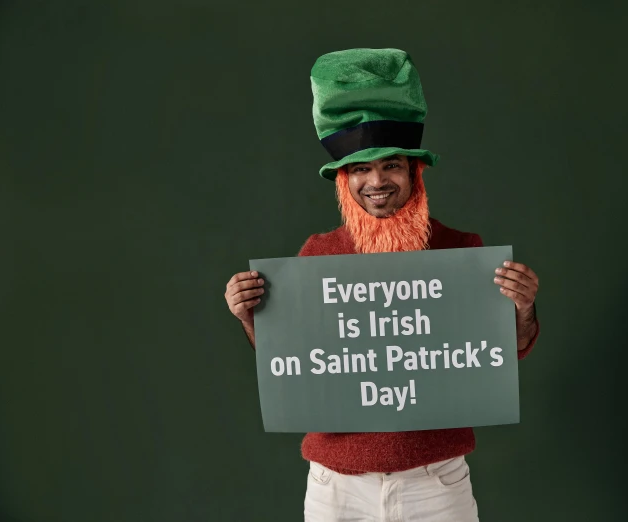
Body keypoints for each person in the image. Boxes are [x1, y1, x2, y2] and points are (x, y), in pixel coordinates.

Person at [224, 48, 540, 522]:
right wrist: (251, 316)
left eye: (391, 165)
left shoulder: (463, 251)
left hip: (435, 482)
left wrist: (522, 310)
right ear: (343, 180)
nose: (377, 182)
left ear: (415, 172)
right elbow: (298, 364)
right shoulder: (317, 254)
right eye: (360, 169)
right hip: (337, 487)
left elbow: (494, 355)